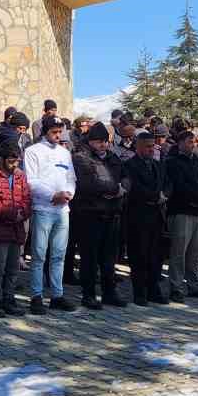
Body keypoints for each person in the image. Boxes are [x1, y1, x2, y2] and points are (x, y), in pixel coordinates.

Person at [23, 117, 77, 314]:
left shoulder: (64, 153)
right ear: (45, 131)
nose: (58, 135)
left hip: (62, 210)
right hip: (43, 208)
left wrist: (69, 194)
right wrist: (52, 195)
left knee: (59, 254)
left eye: (60, 131)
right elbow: (31, 181)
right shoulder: (32, 152)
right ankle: (36, 296)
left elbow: (71, 178)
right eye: (54, 132)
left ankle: (57, 294)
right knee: (39, 255)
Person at [72, 122, 128, 309]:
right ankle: (88, 294)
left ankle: (109, 292)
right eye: (98, 142)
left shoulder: (113, 158)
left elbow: (126, 177)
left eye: (105, 141)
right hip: (90, 214)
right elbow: (89, 184)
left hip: (112, 213)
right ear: (91, 142)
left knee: (109, 258)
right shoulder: (81, 158)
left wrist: (123, 188)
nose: (102, 145)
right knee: (90, 257)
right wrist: (114, 189)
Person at [0, 141, 31, 317]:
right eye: (11, 161)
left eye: (17, 161)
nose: (14, 165)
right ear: (2, 159)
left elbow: (27, 199)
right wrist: (11, 214)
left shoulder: (20, 176)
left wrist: (22, 213)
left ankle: (9, 298)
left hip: (16, 230)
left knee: (12, 268)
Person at [123, 130, 169, 306]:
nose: (151, 149)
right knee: (139, 255)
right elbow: (134, 188)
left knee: (156, 255)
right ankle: (140, 292)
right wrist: (154, 196)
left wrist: (164, 194)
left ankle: (153, 289)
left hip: (157, 215)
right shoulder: (130, 165)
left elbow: (167, 183)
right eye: (148, 146)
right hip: (139, 215)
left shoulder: (158, 165)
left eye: (153, 146)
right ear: (138, 147)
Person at [164, 130, 198, 302]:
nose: (194, 144)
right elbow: (179, 186)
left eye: (195, 142)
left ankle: (194, 284)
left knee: (195, 252)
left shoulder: (197, 162)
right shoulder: (172, 162)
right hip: (181, 211)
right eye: (191, 141)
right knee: (179, 252)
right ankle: (176, 286)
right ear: (181, 143)